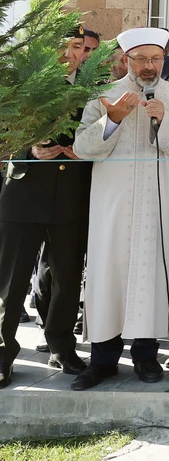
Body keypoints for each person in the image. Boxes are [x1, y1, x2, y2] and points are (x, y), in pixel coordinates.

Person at [70, 27, 169, 390]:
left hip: (157, 204)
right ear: (126, 60)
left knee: (150, 273)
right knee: (107, 274)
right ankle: (102, 360)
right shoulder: (103, 97)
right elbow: (83, 148)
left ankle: (146, 357)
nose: (148, 66)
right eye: (141, 59)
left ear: (164, 58)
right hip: (112, 205)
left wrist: (165, 119)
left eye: (155, 59)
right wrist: (111, 119)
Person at [0, 27, 94, 387]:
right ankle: (3, 352)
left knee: (67, 279)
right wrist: (29, 151)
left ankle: (62, 347)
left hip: (70, 197)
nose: (70, 54)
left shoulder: (92, 91)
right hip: (23, 198)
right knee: (11, 281)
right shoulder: (21, 88)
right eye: (63, 45)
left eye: (76, 47)